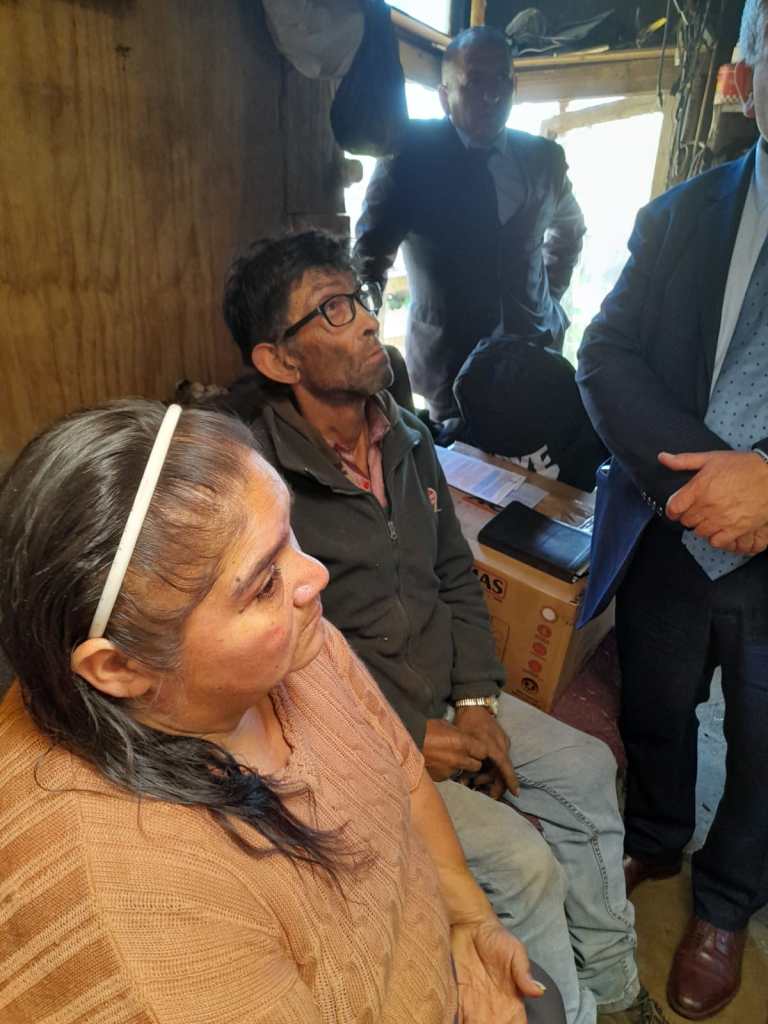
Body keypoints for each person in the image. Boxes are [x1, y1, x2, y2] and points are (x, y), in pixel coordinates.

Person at [216, 229, 668, 1024]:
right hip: (357, 739)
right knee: (524, 865)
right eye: (331, 310)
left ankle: (616, 988)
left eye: (358, 298)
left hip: (445, 696)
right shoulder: (258, 484)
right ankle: (569, 1014)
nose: (366, 319)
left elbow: (455, 576)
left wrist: (477, 701)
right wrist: (408, 734)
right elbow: (280, 666)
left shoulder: (408, 435)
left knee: (588, 766)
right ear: (279, 361)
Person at [0, 399, 567, 1024]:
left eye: (289, 532)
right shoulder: (151, 920)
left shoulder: (295, 646)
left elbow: (403, 775)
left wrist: (469, 919)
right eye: (264, 583)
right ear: (119, 668)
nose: (316, 575)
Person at [575, 3, 768, 1017]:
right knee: (654, 702)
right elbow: (603, 356)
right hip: (669, 533)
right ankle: (655, 835)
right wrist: (707, 490)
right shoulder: (677, 217)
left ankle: (728, 900)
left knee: (765, 741)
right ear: (749, 71)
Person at [353, 25, 586, 423]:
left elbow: (570, 229)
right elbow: (368, 259)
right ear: (444, 95)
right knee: (455, 459)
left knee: (538, 453)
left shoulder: (544, 158)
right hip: (448, 363)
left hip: (534, 350)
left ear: (514, 86)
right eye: (474, 80)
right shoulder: (409, 156)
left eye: (501, 79)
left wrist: (548, 295)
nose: (491, 94)